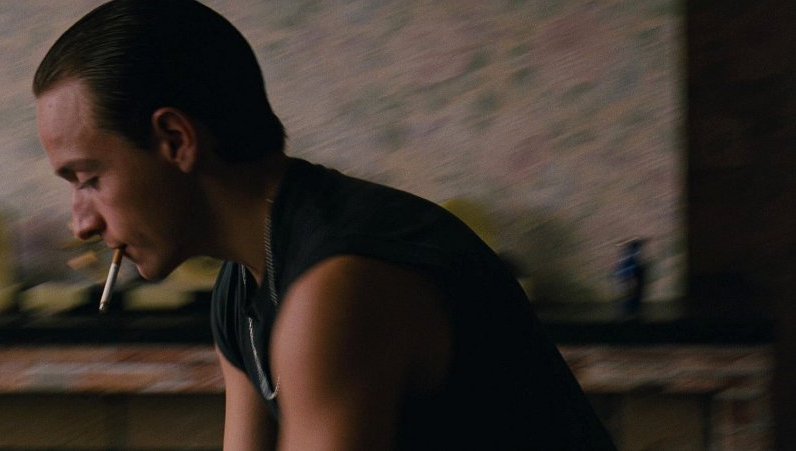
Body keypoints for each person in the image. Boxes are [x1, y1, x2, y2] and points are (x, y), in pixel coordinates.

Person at [33, 1, 617, 449]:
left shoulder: (339, 286)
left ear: (175, 139)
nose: (81, 223)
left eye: (88, 178)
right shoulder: (242, 284)